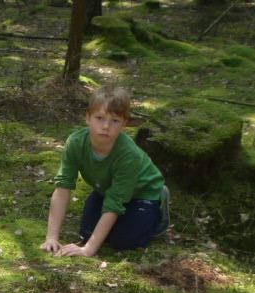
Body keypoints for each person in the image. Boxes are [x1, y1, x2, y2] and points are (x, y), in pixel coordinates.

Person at [40, 86, 168, 258]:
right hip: (107, 190)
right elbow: (63, 187)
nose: (106, 126)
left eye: (115, 121)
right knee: (86, 233)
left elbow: (115, 202)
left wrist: (88, 250)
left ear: (124, 123)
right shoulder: (76, 143)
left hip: (143, 193)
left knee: (124, 242)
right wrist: (51, 237)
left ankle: (158, 208)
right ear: (88, 117)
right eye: (99, 118)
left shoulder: (129, 155)